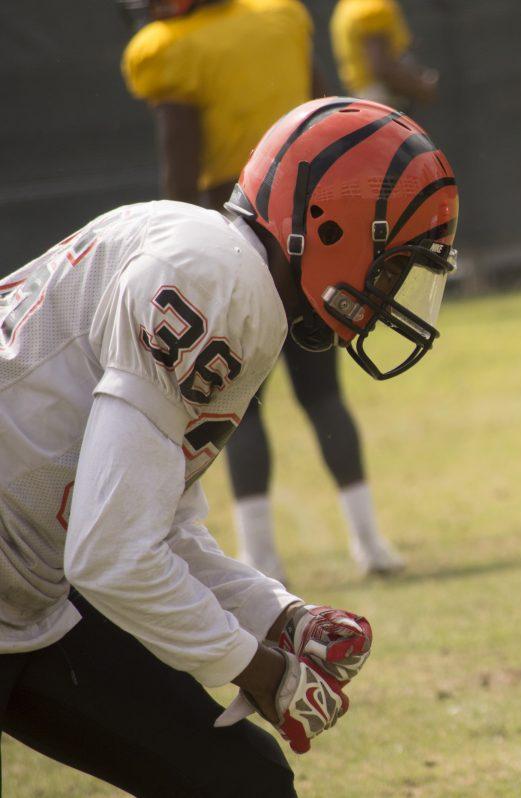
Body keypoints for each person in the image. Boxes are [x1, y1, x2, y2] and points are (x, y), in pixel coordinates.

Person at [0, 96, 458, 794]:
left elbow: (150, 520)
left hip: (22, 592)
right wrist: (260, 671)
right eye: (392, 268)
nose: (390, 293)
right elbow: (112, 556)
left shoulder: (215, 263)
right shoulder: (220, 285)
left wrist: (276, 614)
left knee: (240, 780)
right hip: (20, 575)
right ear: (330, 225)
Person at [121, 0, 407, 581]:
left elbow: (180, 163)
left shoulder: (174, 49)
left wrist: (172, 246)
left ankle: (262, 558)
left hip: (231, 225)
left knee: (241, 405)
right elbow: (330, 117)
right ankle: (371, 543)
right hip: (311, 222)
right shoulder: (280, 17)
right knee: (324, 392)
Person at [330, 0, 439, 110]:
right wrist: (419, 87)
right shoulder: (371, 7)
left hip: (364, 97)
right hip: (381, 100)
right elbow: (382, 68)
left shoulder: (347, 6)